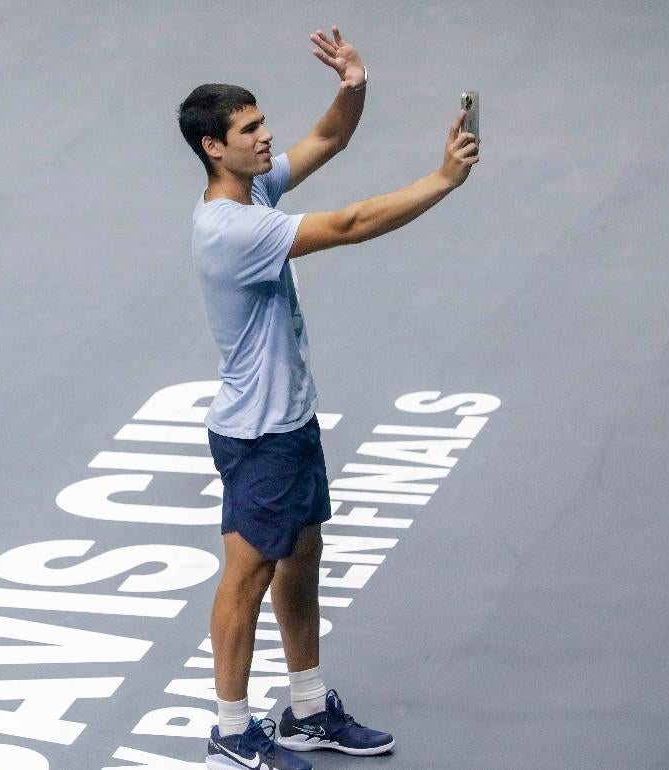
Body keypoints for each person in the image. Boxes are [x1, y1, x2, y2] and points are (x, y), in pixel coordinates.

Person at [177, 25, 479, 770]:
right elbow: (349, 224)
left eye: (260, 121)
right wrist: (440, 180)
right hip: (258, 437)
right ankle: (228, 731)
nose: (265, 135)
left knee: (302, 558)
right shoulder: (232, 227)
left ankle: (306, 710)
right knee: (245, 576)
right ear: (214, 147)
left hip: (291, 422)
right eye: (249, 130)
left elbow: (327, 139)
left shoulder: (252, 188)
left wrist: (353, 84)